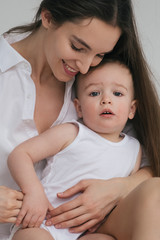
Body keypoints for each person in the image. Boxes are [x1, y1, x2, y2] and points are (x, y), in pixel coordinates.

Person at [0, 0, 160, 239]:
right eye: (77, 47)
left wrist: (118, 188)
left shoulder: (99, 83)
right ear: (48, 18)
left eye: (100, 54)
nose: (85, 67)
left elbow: (148, 163)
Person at [8, 59, 141, 240]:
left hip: (86, 233)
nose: (106, 100)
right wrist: (33, 191)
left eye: (117, 93)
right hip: (43, 224)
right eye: (94, 93)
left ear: (131, 109)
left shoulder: (134, 149)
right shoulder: (72, 133)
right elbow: (20, 154)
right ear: (78, 107)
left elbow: (127, 195)